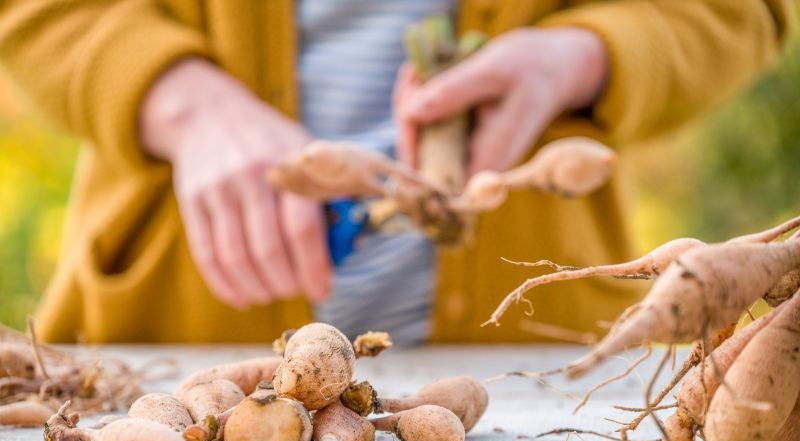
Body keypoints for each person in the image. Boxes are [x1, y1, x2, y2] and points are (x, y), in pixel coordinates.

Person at [0, 1, 792, 343]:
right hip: (166, 345)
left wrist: (584, 56)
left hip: (535, 368)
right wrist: (180, 100)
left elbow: (741, 10)